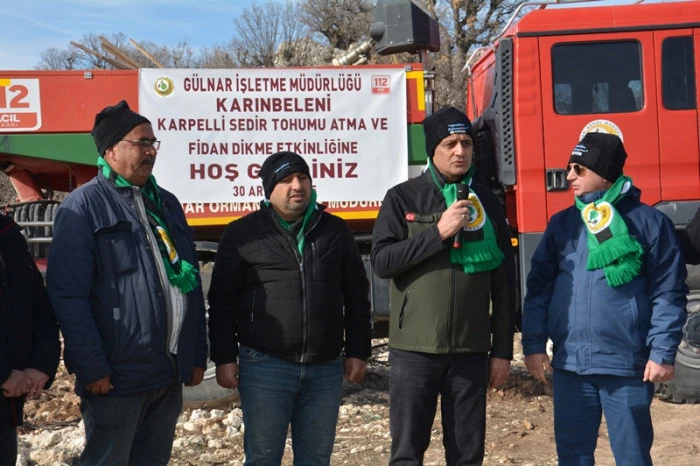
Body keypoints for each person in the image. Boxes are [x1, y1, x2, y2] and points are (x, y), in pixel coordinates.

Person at [46, 100, 207, 466]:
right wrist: (92, 367)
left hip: (166, 374)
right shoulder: (83, 207)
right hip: (117, 378)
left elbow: (190, 285)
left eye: (153, 142)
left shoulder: (166, 204)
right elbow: (68, 296)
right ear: (111, 150)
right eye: (140, 142)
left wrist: (195, 354)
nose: (151, 150)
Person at [522, 132, 688, 466]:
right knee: (573, 457)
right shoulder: (563, 225)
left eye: (579, 169)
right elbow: (539, 289)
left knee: (632, 457)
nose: (569, 176)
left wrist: (662, 352)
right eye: (569, 168)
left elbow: (668, 291)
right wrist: (534, 344)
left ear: (605, 173)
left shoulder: (649, 222)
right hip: (571, 366)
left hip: (627, 366)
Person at [371, 106, 516, 465]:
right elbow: (382, 262)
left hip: (470, 351)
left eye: (466, 143)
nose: (460, 151)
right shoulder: (402, 197)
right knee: (407, 453)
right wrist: (437, 233)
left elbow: (504, 284)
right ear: (433, 150)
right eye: (450, 144)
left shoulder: (487, 202)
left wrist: (501, 351)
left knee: (467, 454)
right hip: (414, 352)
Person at [208, 151, 371, 466]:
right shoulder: (242, 233)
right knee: (263, 458)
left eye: (302, 178)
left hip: (324, 368)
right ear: (269, 189)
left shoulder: (335, 231)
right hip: (266, 366)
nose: (297, 186)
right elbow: (222, 301)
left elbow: (356, 296)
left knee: (316, 459)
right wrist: (224, 357)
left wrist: (358, 350)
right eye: (286, 180)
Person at [0, 213, 61, 465]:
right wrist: (3, 374)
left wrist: (41, 364)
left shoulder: (9, 237)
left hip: (6, 409)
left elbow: (40, 308)